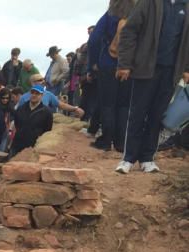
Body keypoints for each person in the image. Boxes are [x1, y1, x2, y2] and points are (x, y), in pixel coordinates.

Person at [115, 0, 189, 174]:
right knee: (137, 113)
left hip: (171, 72)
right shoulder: (150, 3)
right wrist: (125, 64)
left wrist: (186, 68)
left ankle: (147, 158)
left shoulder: (185, 6)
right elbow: (129, 31)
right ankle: (128, 158)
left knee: (157, 116)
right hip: (146, 68)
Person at [90, 1, 136, 152]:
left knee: (108, 104)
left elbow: (95, 38)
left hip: (108, 64)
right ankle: (120, 142)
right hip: (129, 67)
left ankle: (106, 140)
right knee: (123, 105)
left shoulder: (110, 15)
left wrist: (94, 61)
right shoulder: (137, 13)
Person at [11, 84, 55, 156]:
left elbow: (47, 130)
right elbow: (17, 124)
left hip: (34, 147)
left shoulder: (47, 112)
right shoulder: (21, 108)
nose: (34, 95)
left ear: (42, 95)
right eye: (32, 93)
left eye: (37, 93)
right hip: (18, 145)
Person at [17, 74, 86, 116]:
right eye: (40, 80)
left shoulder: (48, 94)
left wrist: (75, 109)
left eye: (43, 79)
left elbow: (61, 105)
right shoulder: (24, 98)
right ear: (33, 83)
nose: (43, 81)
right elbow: (19, 113)